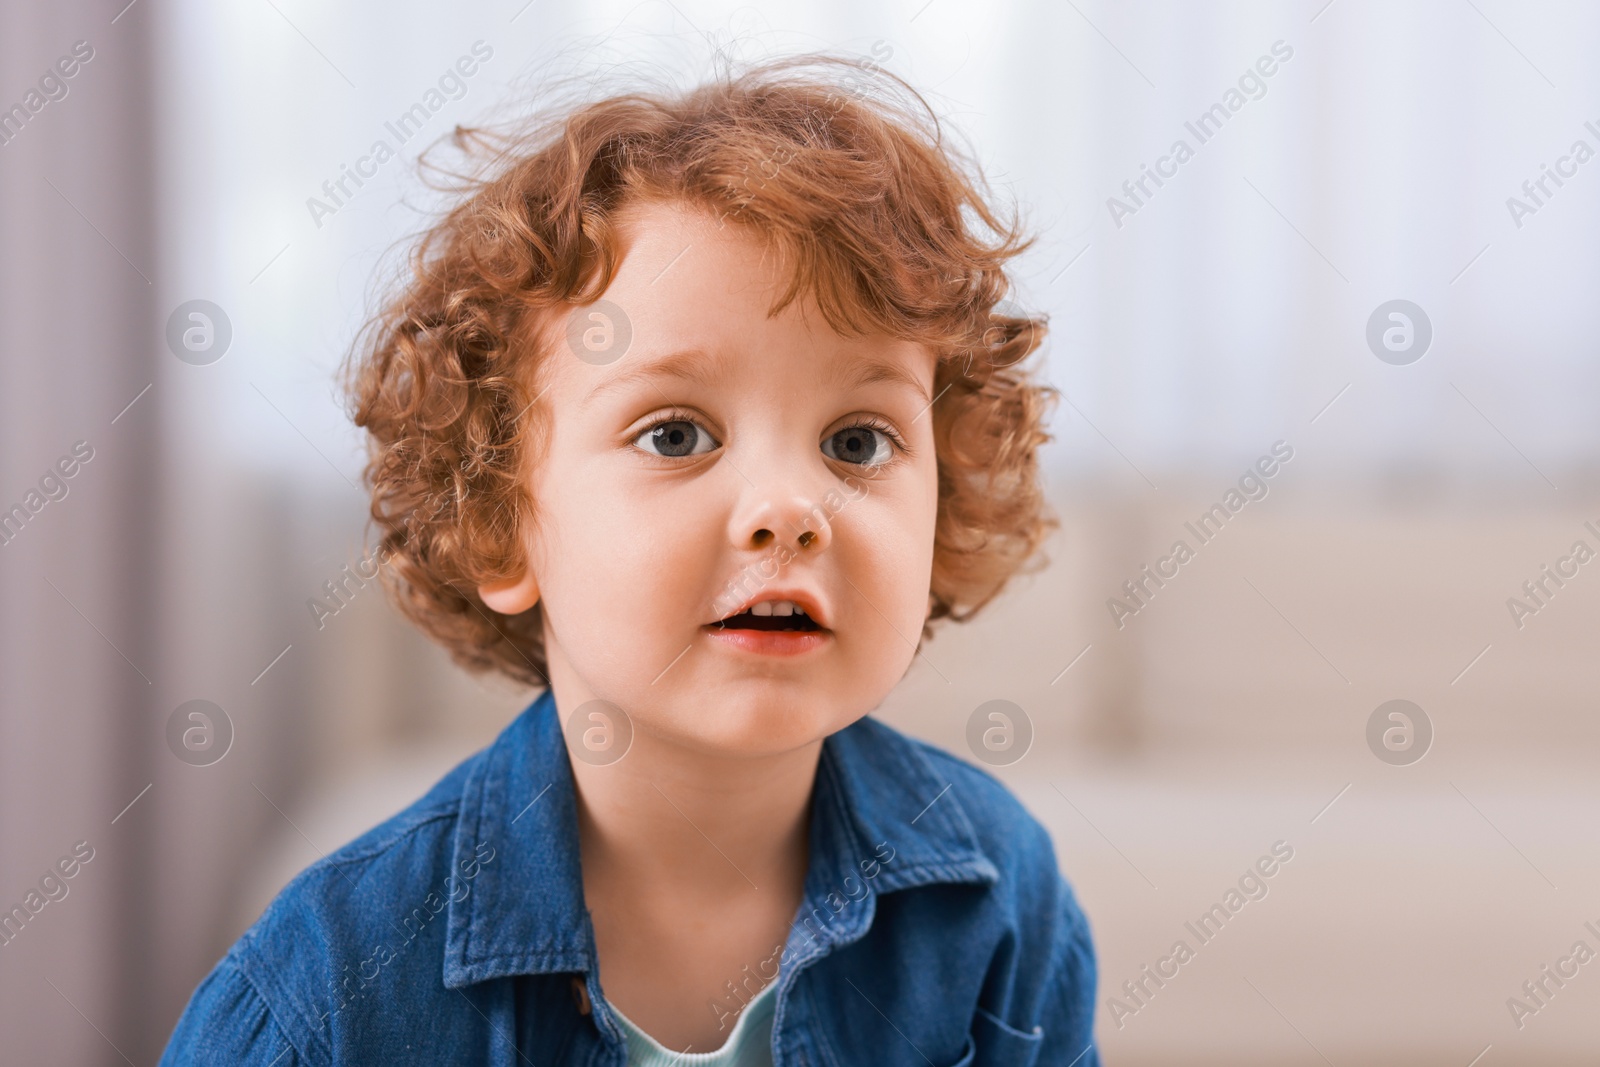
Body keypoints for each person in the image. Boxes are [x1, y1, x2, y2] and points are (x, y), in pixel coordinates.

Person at [158, 52, 1099, 1067]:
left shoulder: (1001, 897)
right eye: (676, 433)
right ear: (499, 524)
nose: (789, 509)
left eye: (857, 442)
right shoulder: (326, 986)